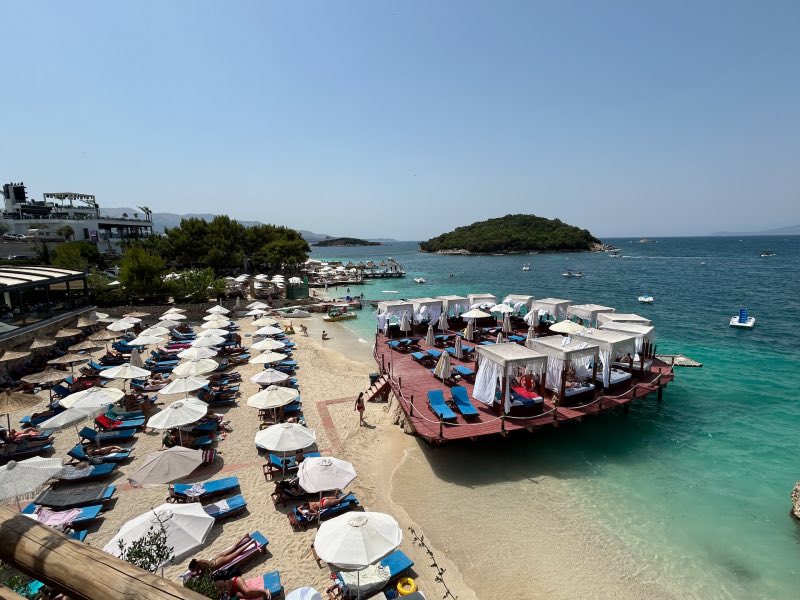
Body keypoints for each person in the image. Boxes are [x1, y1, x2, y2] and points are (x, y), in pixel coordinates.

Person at [188, 534, 260, 575]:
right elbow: (200, 568)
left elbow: (204, 574)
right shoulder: (199, 562)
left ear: (195, 566)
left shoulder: (201, 567)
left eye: (193, 570)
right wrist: (196, 572)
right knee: (234, 547)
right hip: (216, 557)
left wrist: (197, 574)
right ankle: (245, 536)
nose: (193, 571)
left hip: (218, 562)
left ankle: (251, 542)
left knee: (236, 553)